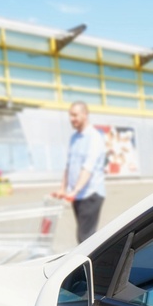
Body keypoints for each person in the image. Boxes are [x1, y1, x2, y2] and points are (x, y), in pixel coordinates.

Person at [53, 101, 107, 243]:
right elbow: (69, 165)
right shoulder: (74, 138)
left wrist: (74, 190)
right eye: (70, 115)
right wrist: (63, 188)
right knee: (84, 236)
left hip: (90, 193)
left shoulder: (94, 137)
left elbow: (88, 168)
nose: (72, 119)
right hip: (77, 196)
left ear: (85, 114)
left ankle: (89, 264)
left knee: (85, 237)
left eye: (75, 115)